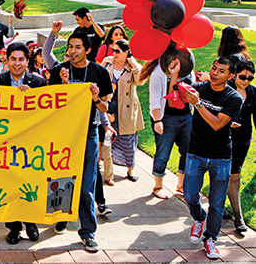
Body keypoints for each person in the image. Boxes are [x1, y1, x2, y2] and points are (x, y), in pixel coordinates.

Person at [43, 23, 112, 253]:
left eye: (78, 47)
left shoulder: (99, 73)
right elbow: (51, 106)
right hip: (63, 133)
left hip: (88, 133)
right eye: (70, 47)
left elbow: (105, 108)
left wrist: (94, 98)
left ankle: (88, 232)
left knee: (86, 184)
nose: (72, 51)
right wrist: (62, 85)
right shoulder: (59, 71)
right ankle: (62, 216)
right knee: (60, 179)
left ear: (87, 50)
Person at [0, 42, 46, 245]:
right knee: (8, 186)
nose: (17, 63)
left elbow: (47, 113)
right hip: (5, 146)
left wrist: (32, 98)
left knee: (29, 185)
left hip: (30, 147)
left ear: (28, 61)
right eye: (13, 59)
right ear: (6, 61)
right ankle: (14, 227)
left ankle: (31, 223)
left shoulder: (39, 82)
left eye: (21, 59)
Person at [179, 57, 242, 260]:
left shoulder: (233, 99)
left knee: (217, 201)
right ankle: (199, 217)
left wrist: (197, 104)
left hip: (220, 156)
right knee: (189, 194)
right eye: (214, 68)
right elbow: (179, 90)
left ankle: (210, 239)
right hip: (196, 152)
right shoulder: (201, 88)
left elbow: (217, 124)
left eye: (221, 71)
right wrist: (174, 75)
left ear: (230, 76)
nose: (215, 73)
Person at [139, 57, 192, 200]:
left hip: (186, 116)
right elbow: (156, 98)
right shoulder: (159, 71)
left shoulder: (186, 66)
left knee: (187, 151)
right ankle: (158, 186)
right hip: (166, 117)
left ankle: (181, 185)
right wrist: (157, 120)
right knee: (163, 152)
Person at [101, 39, 144, 182]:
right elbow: (99, 77)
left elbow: (140, 81)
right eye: (113, 50)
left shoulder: (132, 66)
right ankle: (102, 163)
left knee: (128, 140)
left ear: (126, 53)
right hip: (109, 105)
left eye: (118, 51)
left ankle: (131, 170)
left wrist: (133, 65)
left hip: (126, 107)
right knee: (106, 136)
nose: (114, 54)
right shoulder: (108, 62)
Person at [227, 59, 256, 233]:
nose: (245, 81)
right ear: (235, 75)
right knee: (227, 175)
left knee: (234, 175)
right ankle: (237, 215)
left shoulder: (253, 93)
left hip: (243, 141)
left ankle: (234, 213)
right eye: (242, 77)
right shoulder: (225, 89)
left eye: (250, 78)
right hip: (223, 139)